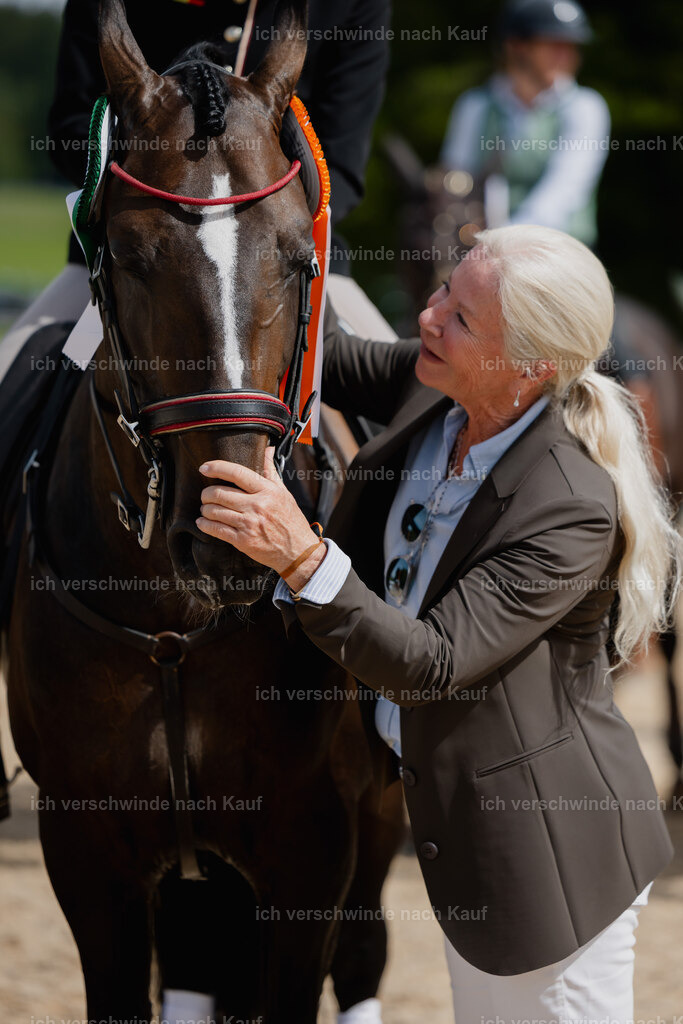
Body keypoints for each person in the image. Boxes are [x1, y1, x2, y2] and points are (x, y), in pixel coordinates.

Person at [194, 224, 678, 1023]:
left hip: (548, 856)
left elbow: (430, 662)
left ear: (529, 368)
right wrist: (236, 210)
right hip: (474, 842)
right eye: (442, 293)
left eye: (459, 318)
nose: (426, 317)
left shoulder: (567, 504)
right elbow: (321, 347)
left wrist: (298, 556)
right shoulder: (441, 388)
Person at [0, 0, 393, 380]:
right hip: (130, 262)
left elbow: (340, 163)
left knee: (413, 404)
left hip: (287, 262)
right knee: (13, 384)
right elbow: (72, 125)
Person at [441, 0, 610, 248]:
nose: (567, 57)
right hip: (478, 251)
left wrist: (504, 242)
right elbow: (455, 182)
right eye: (554, 45)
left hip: (559, 255)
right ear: (516, 46)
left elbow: (565, 190)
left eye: (571, 47)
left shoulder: (585, 108)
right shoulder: (475, 106)